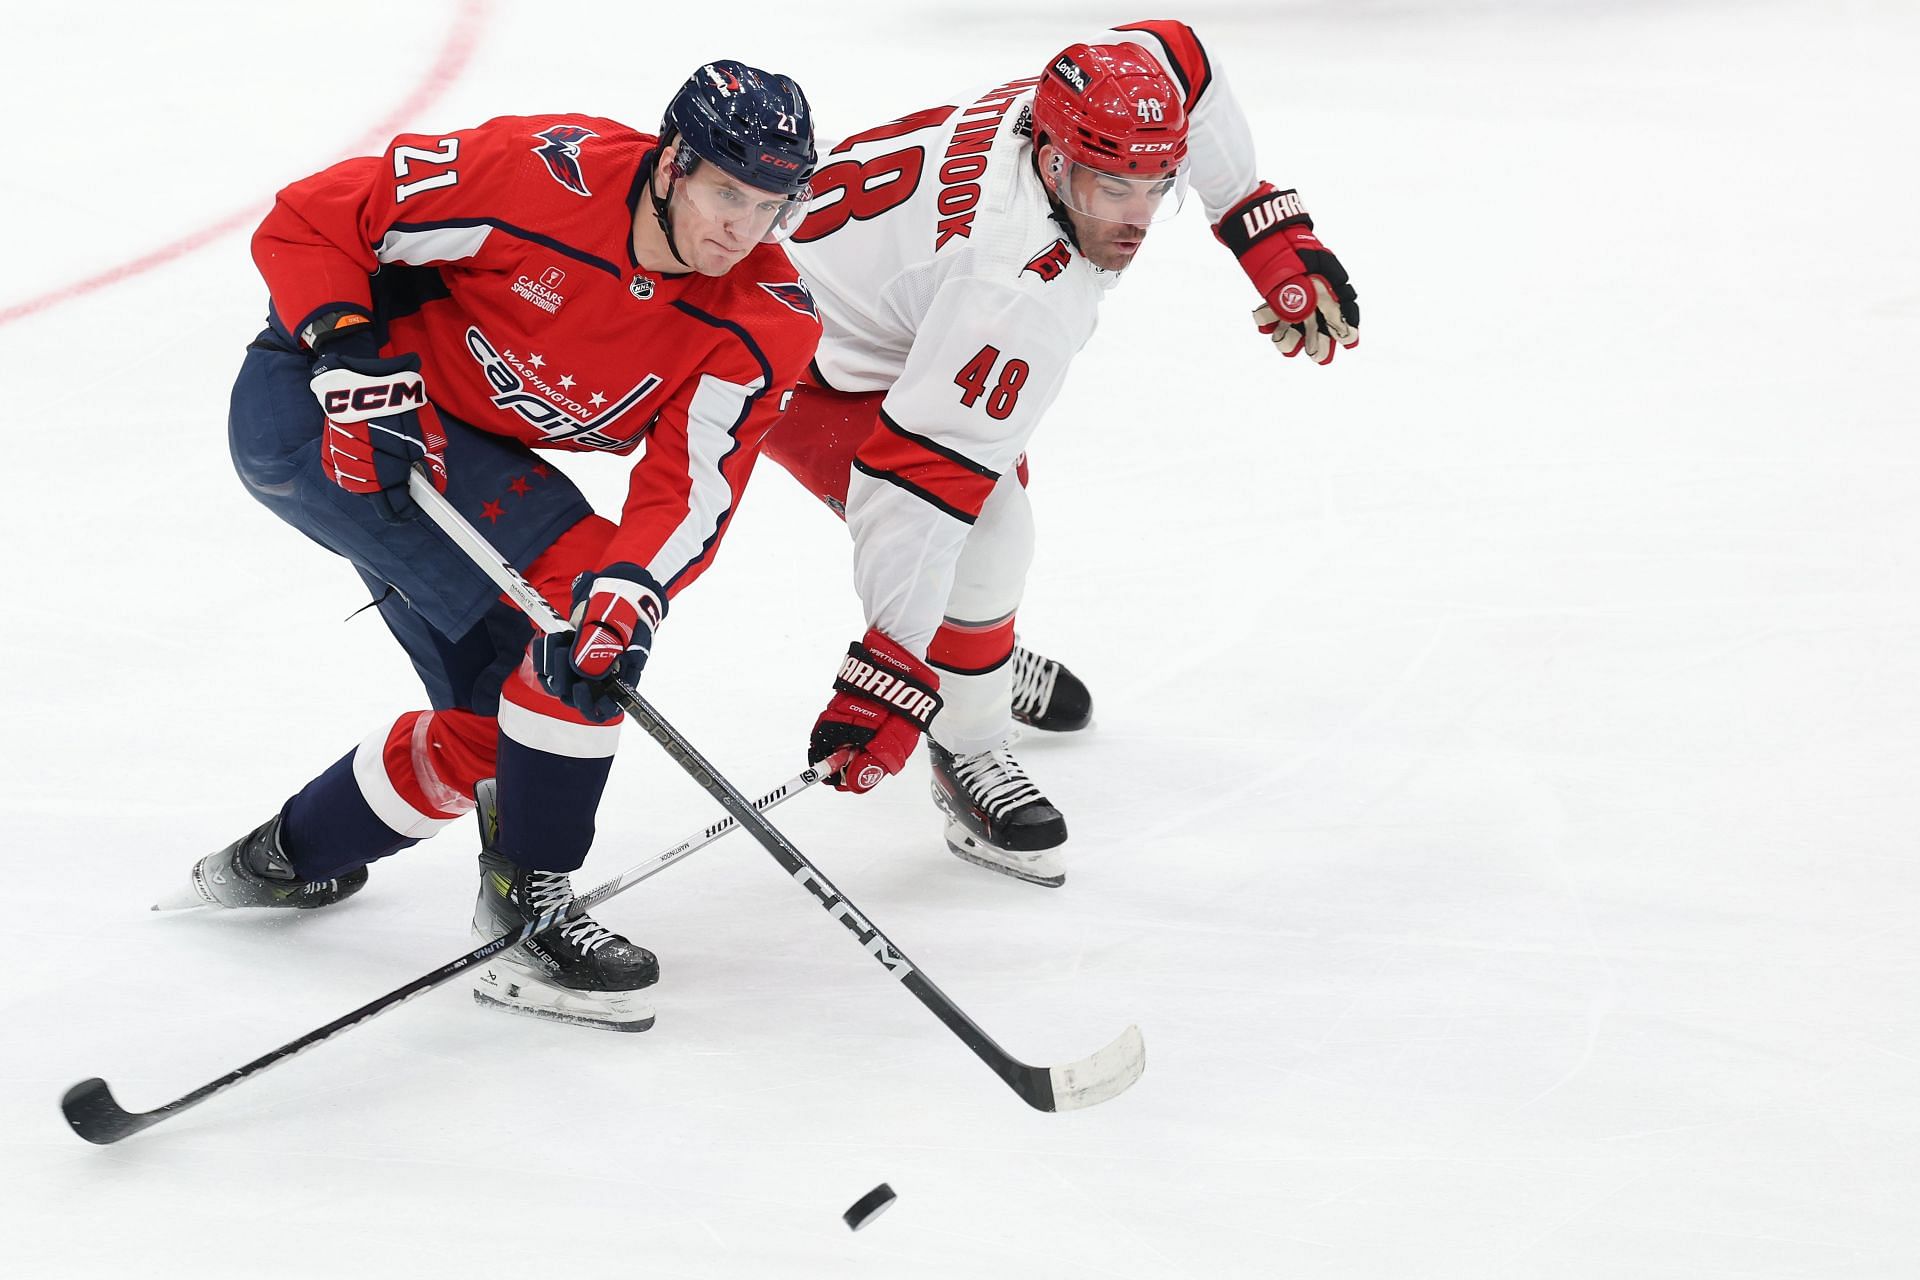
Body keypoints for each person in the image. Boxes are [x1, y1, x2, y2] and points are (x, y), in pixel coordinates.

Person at [162, 62, 824, 1033]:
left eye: (770, 206)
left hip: (464, 450)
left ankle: (280, 856)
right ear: (673, 162)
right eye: (728, 192)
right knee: (548, 638)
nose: (743, 227)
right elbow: (313, 217)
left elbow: (691, 484)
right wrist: (348, 346)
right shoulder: (535, 179)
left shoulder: (764, 317)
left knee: (536, 687)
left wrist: (633, 595)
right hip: (320, 408)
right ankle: (529, 897)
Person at [771, 21, 1360, 888]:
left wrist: (1254, 223)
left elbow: (1181, 54)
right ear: (1052, 164)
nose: (1139, 216)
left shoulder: (1091, 113)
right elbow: (917, 490)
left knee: (984, 492)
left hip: (879, 298)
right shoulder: (1011, 288)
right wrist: (891, 663)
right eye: (1115, 186)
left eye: (1159, 184)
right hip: (790, 361)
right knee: (986, 528)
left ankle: (976, 655)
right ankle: (968, 735)